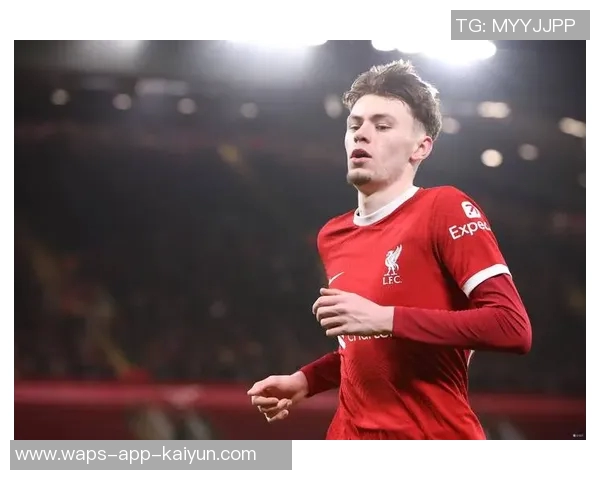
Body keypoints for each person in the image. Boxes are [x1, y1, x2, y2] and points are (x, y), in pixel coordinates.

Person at [247, 60, 532, 440]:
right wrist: (306, 380)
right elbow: (367, 349)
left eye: (382, 126)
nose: (362, 135)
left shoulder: (443, 208)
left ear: (420, 148)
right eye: (355, 126)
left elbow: (512, 328)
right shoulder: (333, 235)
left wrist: (385, 317)